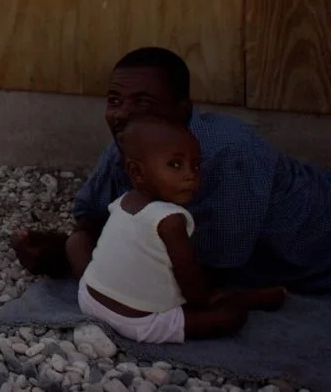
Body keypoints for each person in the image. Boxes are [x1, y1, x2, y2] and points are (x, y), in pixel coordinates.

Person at [13, 47, 331, 295]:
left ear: (183, 111)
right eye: (114, 99)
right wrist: (63, 246)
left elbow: (199, 279)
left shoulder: (226, 153)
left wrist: (81, 268)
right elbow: (91, 217)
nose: (121, 114)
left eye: (143, 102)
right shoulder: (127, 144)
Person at [79, 115, 286, 343]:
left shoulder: (123, 202)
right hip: (137, 321)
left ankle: (241, 297)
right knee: (229, 317)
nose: (190, 175)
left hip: (90, 298)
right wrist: (206, 305)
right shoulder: (170, 220)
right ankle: (246, 300)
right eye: (175, 164)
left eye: (196, 165)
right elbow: (191, 282)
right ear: (137, 172)